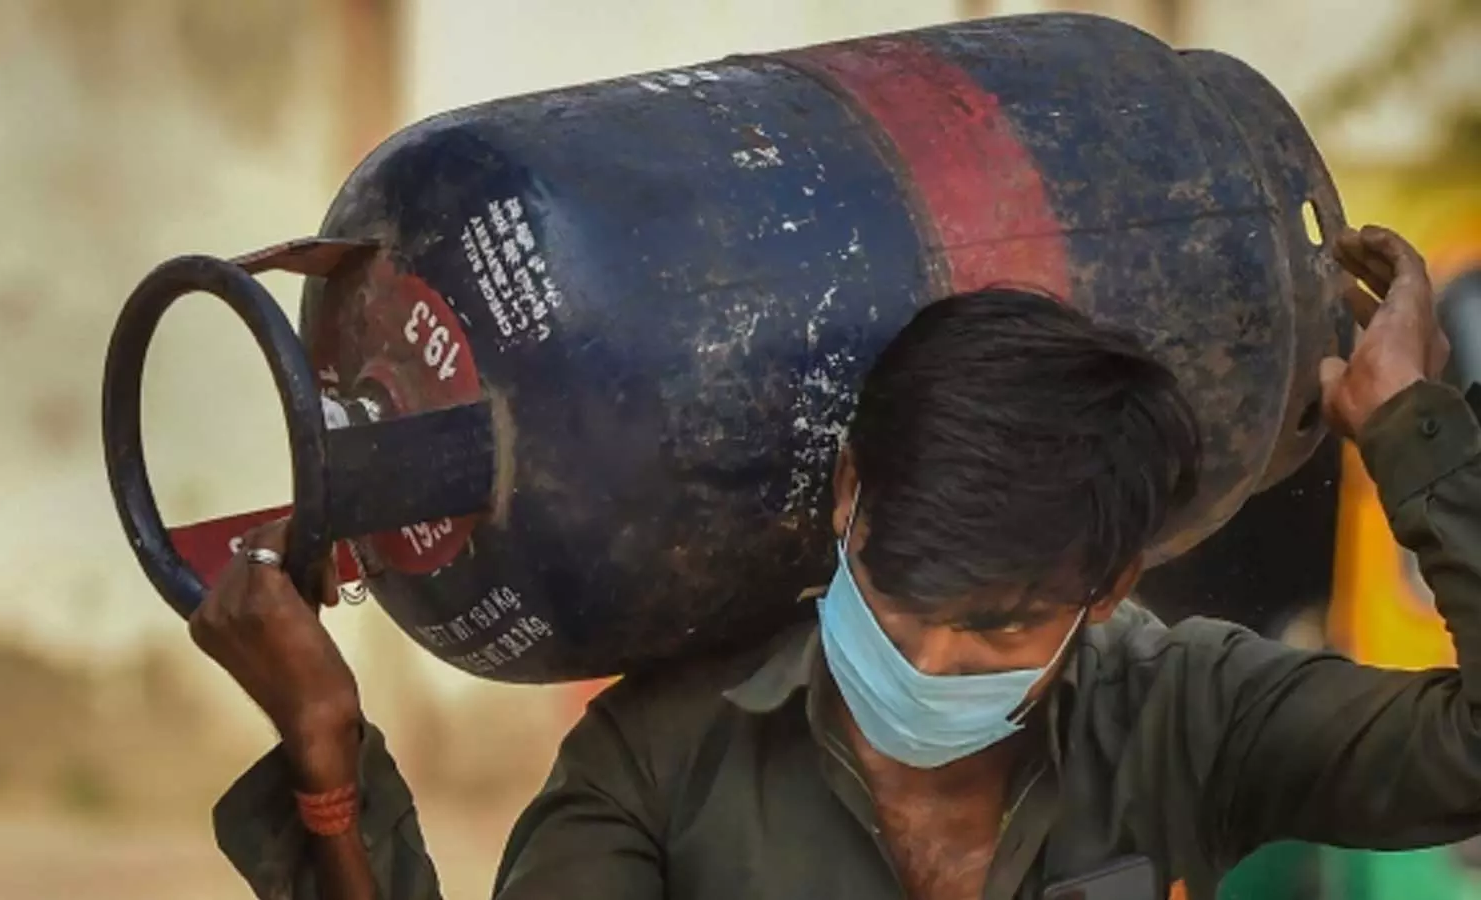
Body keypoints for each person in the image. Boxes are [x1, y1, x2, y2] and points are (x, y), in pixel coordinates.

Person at [198, 225, 1471, 900]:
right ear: (851, 494)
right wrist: (327, 756)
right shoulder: (662, 767)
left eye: (996, 632)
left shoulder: (1189, 717)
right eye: (900, 603)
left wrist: (1411, 429)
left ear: (1111, 588)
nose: (923, 664)